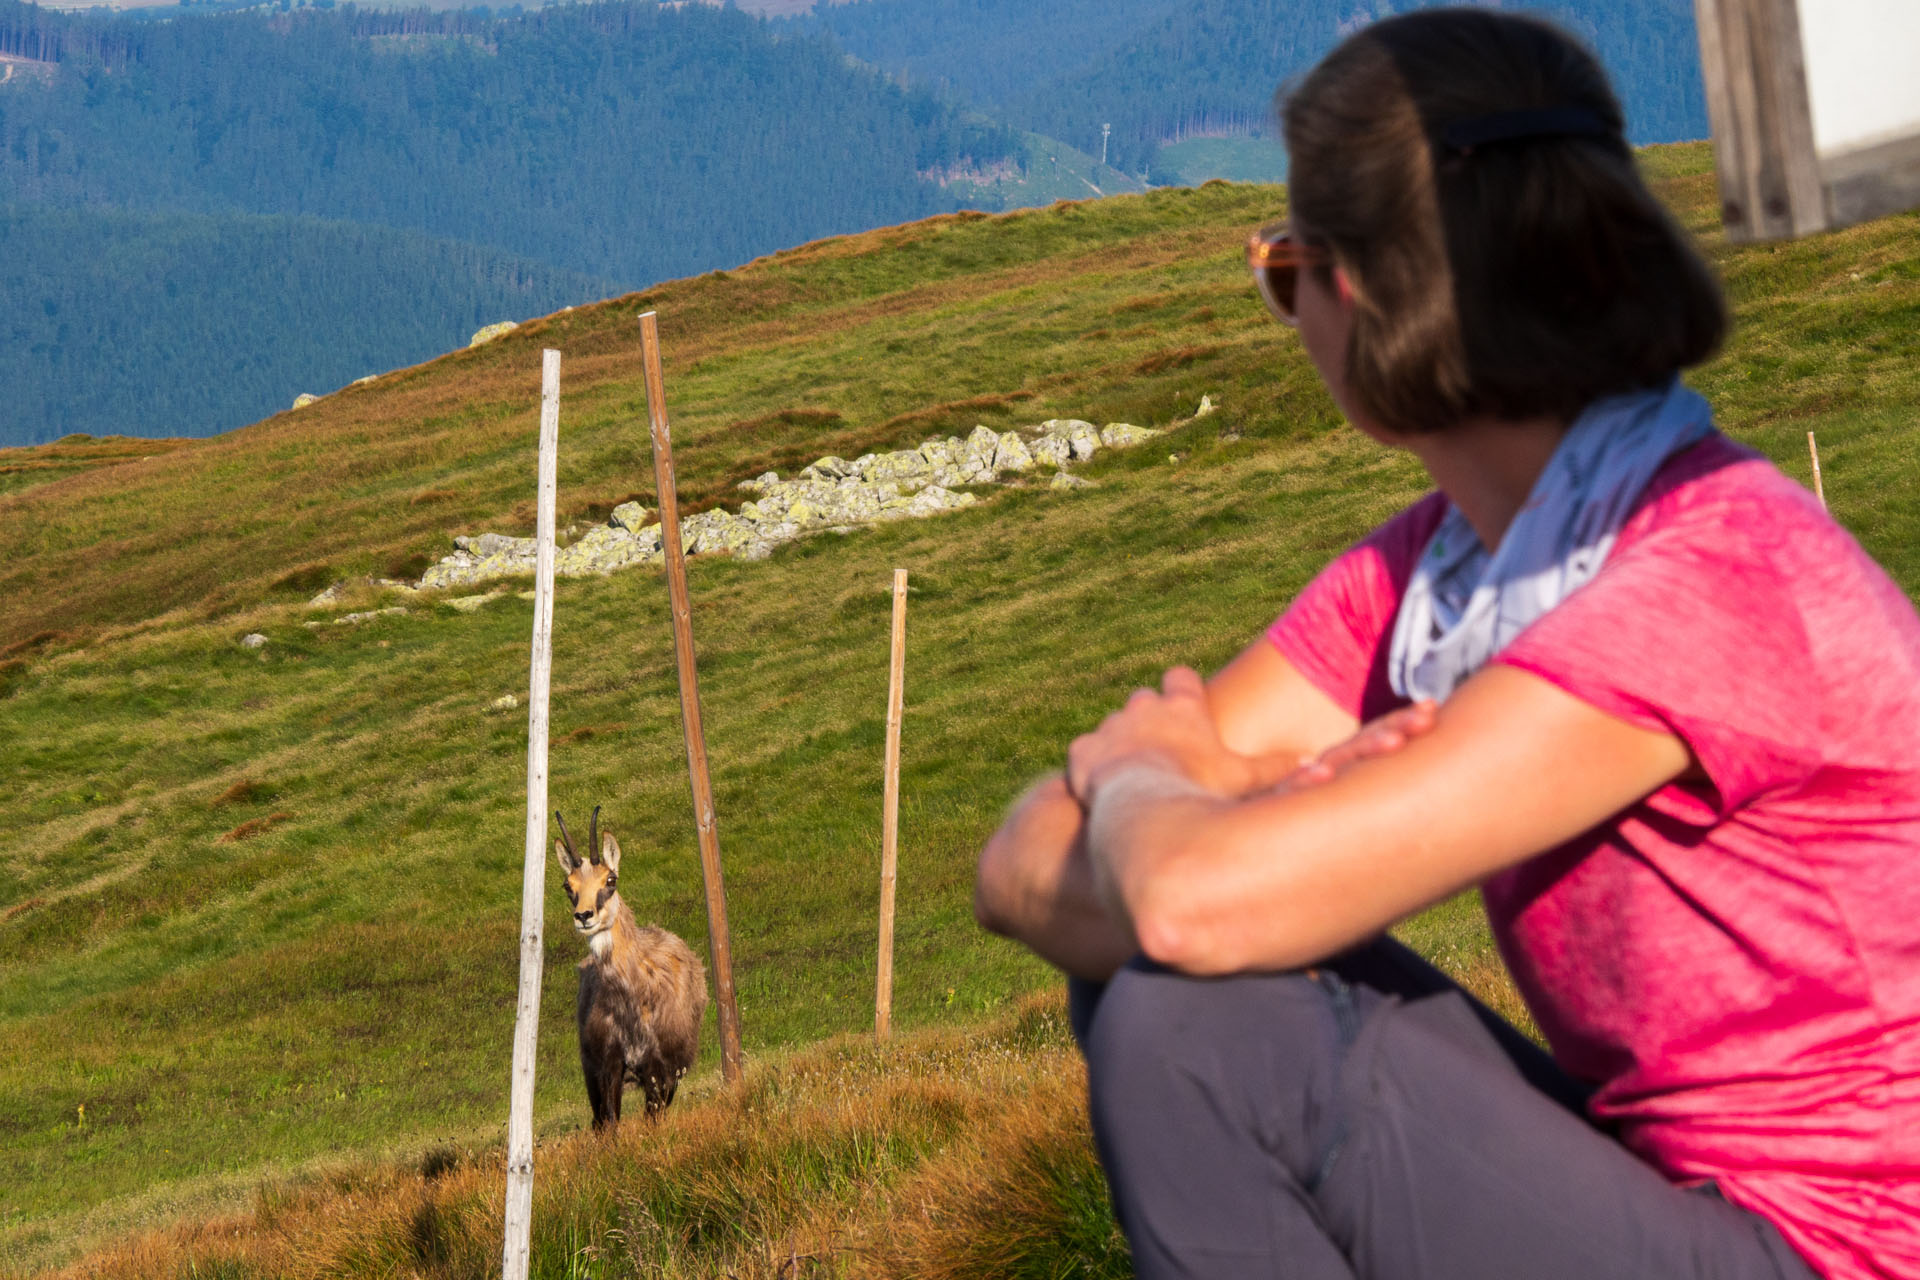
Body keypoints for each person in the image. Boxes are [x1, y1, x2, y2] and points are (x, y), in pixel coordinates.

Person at [972, 10, 1920, 1280]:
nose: (1281, 299)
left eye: (1279, 267)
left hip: (1842, 1253)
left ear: (1352, 294)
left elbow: (1192, 899)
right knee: (1169, 986)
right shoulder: (1449, 568)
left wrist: (1153, 779)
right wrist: (1199, 842)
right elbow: (1017, 859)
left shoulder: (1701, 578)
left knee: (1193, 1021)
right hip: (1676, 1197)